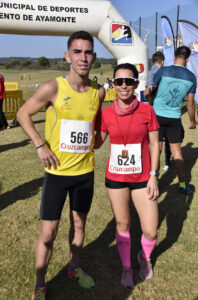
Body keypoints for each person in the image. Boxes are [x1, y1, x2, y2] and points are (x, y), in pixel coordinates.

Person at [17, 31, 105, 300]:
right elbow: (22, 113)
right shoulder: (52, 87)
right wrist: (40, 144)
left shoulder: (98, 92)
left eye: (88, 52)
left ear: (94, 57)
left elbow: (96, 132)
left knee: (79, 226)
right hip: (56, 174)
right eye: (77, 52)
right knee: (48, 233)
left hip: (85, 173)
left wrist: (103, 134)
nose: (83, 57)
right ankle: (40, 282)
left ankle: (74, 267)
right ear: (67, 56)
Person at [95, 63, 160, 288]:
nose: (124, 85)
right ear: (113, 84)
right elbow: (97, 142)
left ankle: (144, 257)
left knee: (150, 230)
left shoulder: (147, 110)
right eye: (119, 81)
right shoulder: (105, 113)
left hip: (142, 177)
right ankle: (126, 267)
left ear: (136, 84)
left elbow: (154, 144)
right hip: (116, 178)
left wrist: (153, 175)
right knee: (123, 224)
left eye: (129, 81)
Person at [152, 46, 197, 194]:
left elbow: (151, 89)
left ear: (174, 57)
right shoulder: (191, 77)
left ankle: (155, 183)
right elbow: (190, 104)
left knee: (156, 149)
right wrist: (192, 121)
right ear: (188, 59)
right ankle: (183, 186)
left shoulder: (163, 71)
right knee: (177, 153)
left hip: (157, 115)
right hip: (174, 118)